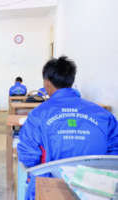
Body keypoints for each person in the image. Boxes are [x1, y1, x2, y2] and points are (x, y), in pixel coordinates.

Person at [17, 56, 118, 200]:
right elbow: (114, 155)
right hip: (96, 189)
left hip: (49, 187)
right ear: (71, 80)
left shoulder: (37, 115)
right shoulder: (103, 115)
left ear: (46, 83)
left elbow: (28, 157)